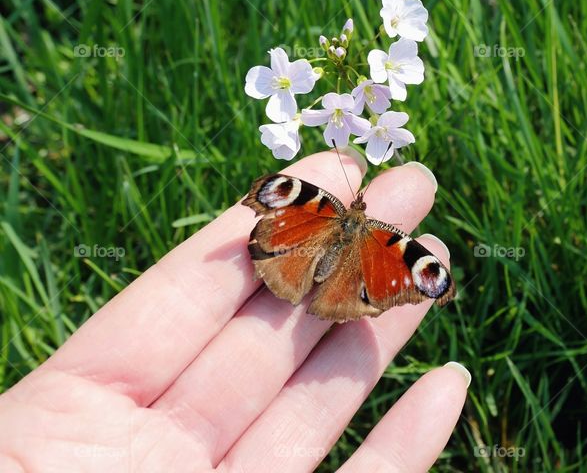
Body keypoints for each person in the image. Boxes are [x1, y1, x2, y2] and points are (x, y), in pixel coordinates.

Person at [0, 150, 469, 472]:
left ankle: (315, 285)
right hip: (333, 276)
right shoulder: (384, 239)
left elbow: (282, 192)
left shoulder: (328, 211)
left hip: (326, 272)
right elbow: (278, 193)